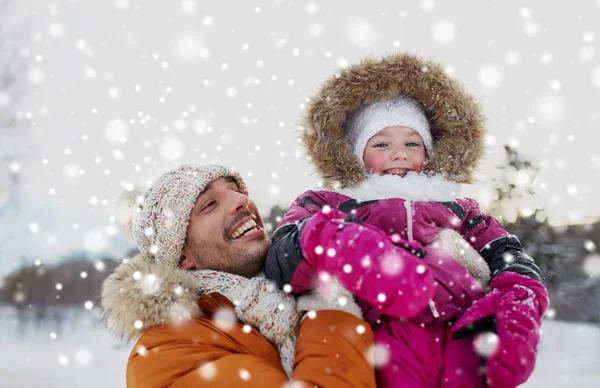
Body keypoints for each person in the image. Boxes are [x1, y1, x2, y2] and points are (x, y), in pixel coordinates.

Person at [264, 53, 549, 388]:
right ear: (355, 154)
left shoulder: (458, 208)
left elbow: (507, 254)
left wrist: (517, 304)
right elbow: (282, 259)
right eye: (381, 143)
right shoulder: (329, 202)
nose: (399, 154)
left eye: (412, 143)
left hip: (457, 333)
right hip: (372, 334)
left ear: (428, 153)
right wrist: (346, 246)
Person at [100, 164, 378, 387]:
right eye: (209, 204)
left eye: (236, 190)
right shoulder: (164, 355)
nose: (241, 200)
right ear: (182, 257)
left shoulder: (292, 292)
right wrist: (330, 311)